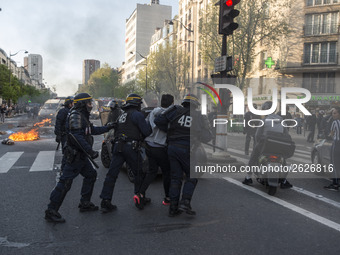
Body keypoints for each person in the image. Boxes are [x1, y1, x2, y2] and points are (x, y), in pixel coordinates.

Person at [45, 93, 114, 223]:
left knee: (91, 175)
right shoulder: (75, 115)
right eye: (89, 103)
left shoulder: (82, 116)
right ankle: (51, 210)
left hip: (81, 156)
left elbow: (91, 130)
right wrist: (90, 151)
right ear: (82, 104)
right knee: (65, 183)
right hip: (75, 155)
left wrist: (108, 127)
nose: (91, 105)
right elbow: (76, 136)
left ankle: (85, 203)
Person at [154, 94, 212, 217]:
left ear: (184, 103)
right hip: (188, 150)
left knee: (176, 178)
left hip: (172, 148)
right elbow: (207, 137)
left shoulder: (175, 110)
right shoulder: (200, 116)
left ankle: (173, 208)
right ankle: (185, 202)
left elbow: (158, 120)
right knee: (192, 176)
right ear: (196, 105)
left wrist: (170, 130)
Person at [99, 93, 152, 212]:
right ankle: (139, 197)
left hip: (118, 147)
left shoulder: (122, 116)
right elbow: (146, 132)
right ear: (137, 104)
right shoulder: (137, 115)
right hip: (131, 147)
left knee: (111, 175)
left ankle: (105, 200)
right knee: (139, 173)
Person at [243, 101, 293, 188]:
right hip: (279, 147)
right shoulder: (281, 120)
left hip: (266, 146)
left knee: (253, 156)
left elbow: (257, 135)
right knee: (283, 161)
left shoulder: (264, 120)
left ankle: (248, 177)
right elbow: (286, 134)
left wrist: (257, 144)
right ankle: (284, 180)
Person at [138, 94, 174, 207]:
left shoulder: (154, 112)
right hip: (160, 146)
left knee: (152, 171)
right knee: (166, 172)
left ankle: (140, 193)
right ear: (172, 103)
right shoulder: (170, 113)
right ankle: (167, 198)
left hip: (149, 144)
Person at [54, 96, 74, 171]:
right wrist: (58, 134)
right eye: (72, 103)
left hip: (71, 135)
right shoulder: (63, 111)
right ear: (69, 104)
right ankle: (64, 169)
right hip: (65, 135)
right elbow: (58, 123)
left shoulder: (71, 111)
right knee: (67, 152)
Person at [324, 106, 340, 191]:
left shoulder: (335, 122)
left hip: (337, 144)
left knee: (334, 164)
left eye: (335, 113)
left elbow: (331, 134)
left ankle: (335, 183)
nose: (333, 115)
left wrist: (328, 135)